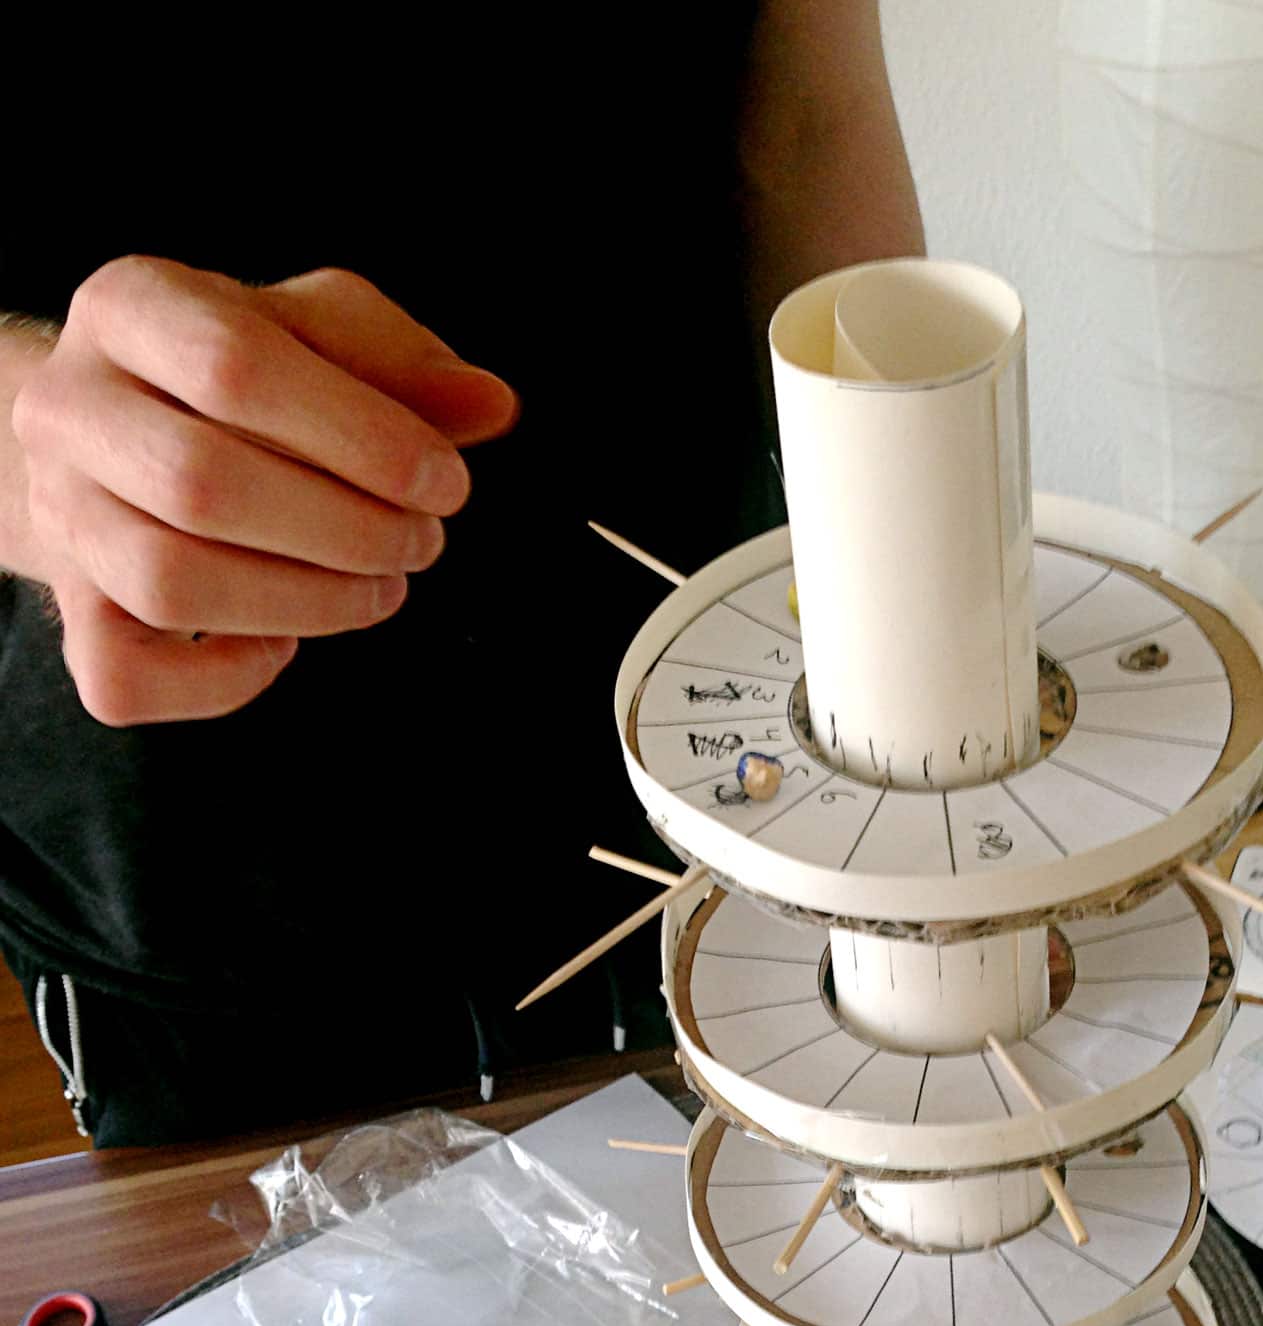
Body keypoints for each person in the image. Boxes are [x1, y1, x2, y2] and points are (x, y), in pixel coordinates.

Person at [0, 3, 923, 1145]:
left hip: (710, 769)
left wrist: (922, 588)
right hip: (197, 874)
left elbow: (802, 123)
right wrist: (29, 436)